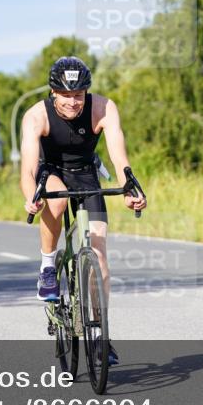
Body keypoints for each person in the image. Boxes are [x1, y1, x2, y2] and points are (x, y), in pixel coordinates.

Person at [19, 56, 147, 366]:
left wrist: (129, 188)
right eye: (66, 95)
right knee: (57, 201)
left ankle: (100, 333)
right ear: (53, 92)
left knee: (99, 256)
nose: (73, 102)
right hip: (50, 171)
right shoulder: (36, 116)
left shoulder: (103, 108)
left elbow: (119, 156)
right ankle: (47, 266)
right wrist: (31, 196)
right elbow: (28, 169)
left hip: (87, 173)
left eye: (79, 95)